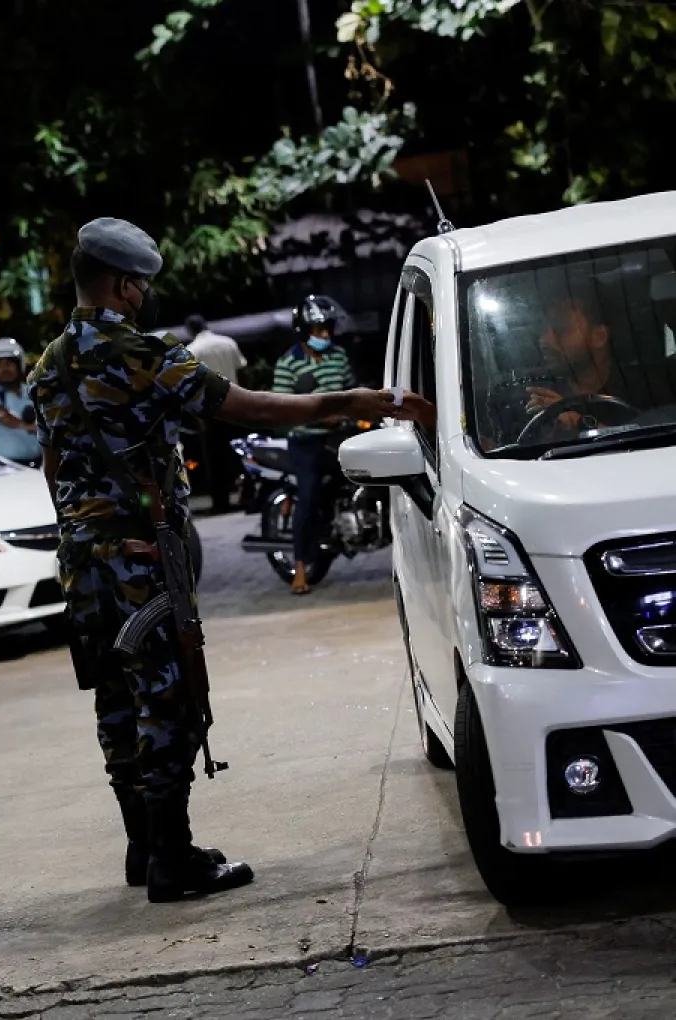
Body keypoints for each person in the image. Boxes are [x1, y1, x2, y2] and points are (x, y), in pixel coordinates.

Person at [31, 218, 422, 903]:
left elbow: (53, 465)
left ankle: (144, 846)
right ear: (124, 285)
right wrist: (363, 400)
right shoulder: (143, 352)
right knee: (168, 702)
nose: (144, 296)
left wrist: (87, 532)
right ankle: (173, 862)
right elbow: (257, 408)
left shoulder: (48, 365)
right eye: (141, 285)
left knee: (117, 700)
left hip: (85, 560)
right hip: (142, 556)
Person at [271, 295, 357, 595]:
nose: (325, 335)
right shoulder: (288, 364)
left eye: (328, 329)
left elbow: (350, 391)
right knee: (307, 496)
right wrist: (320, 415)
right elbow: (281, 408)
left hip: (338, 437)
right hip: (305, 440)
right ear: (304, 331)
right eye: (319, 330)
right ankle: (299, 567)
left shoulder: (339, 356)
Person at [183, 315, 247, 513]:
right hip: (236, 405)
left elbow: (191, 387)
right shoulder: (228, 343)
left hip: (211, 412)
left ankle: (221, 502)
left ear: (190, 331)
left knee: (215, 460)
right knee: (241, 454)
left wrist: (197, 418)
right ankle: (249, 494)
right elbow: (243, 371)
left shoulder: (192, 351)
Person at [0, 338, 42, 465]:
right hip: (4, 469)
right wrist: (34, 427)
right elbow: (2, 416)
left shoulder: (31, 391)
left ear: (19, 365)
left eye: (9, 363)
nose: (4, 369)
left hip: (38, 466)